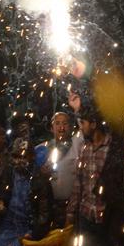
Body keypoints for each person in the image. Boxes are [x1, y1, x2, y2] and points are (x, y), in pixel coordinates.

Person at [66, 103, 124, 246]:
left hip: (107, 215)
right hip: (86, 215)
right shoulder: (85, 148)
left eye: (83, 123)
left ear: (93, 124)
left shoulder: (112, 147)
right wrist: (71, 212)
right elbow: (79, 182)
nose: (80, 127)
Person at [37, 96, 84, 227]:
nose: (61, 127)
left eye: (65, 123)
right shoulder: (42, 148)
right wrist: (40, 174)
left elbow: (83, 128)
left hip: (74, 206)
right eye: (57, 123)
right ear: (51, 128)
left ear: (71, 127)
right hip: (50, 208)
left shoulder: (76, 143)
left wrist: (77, 109)